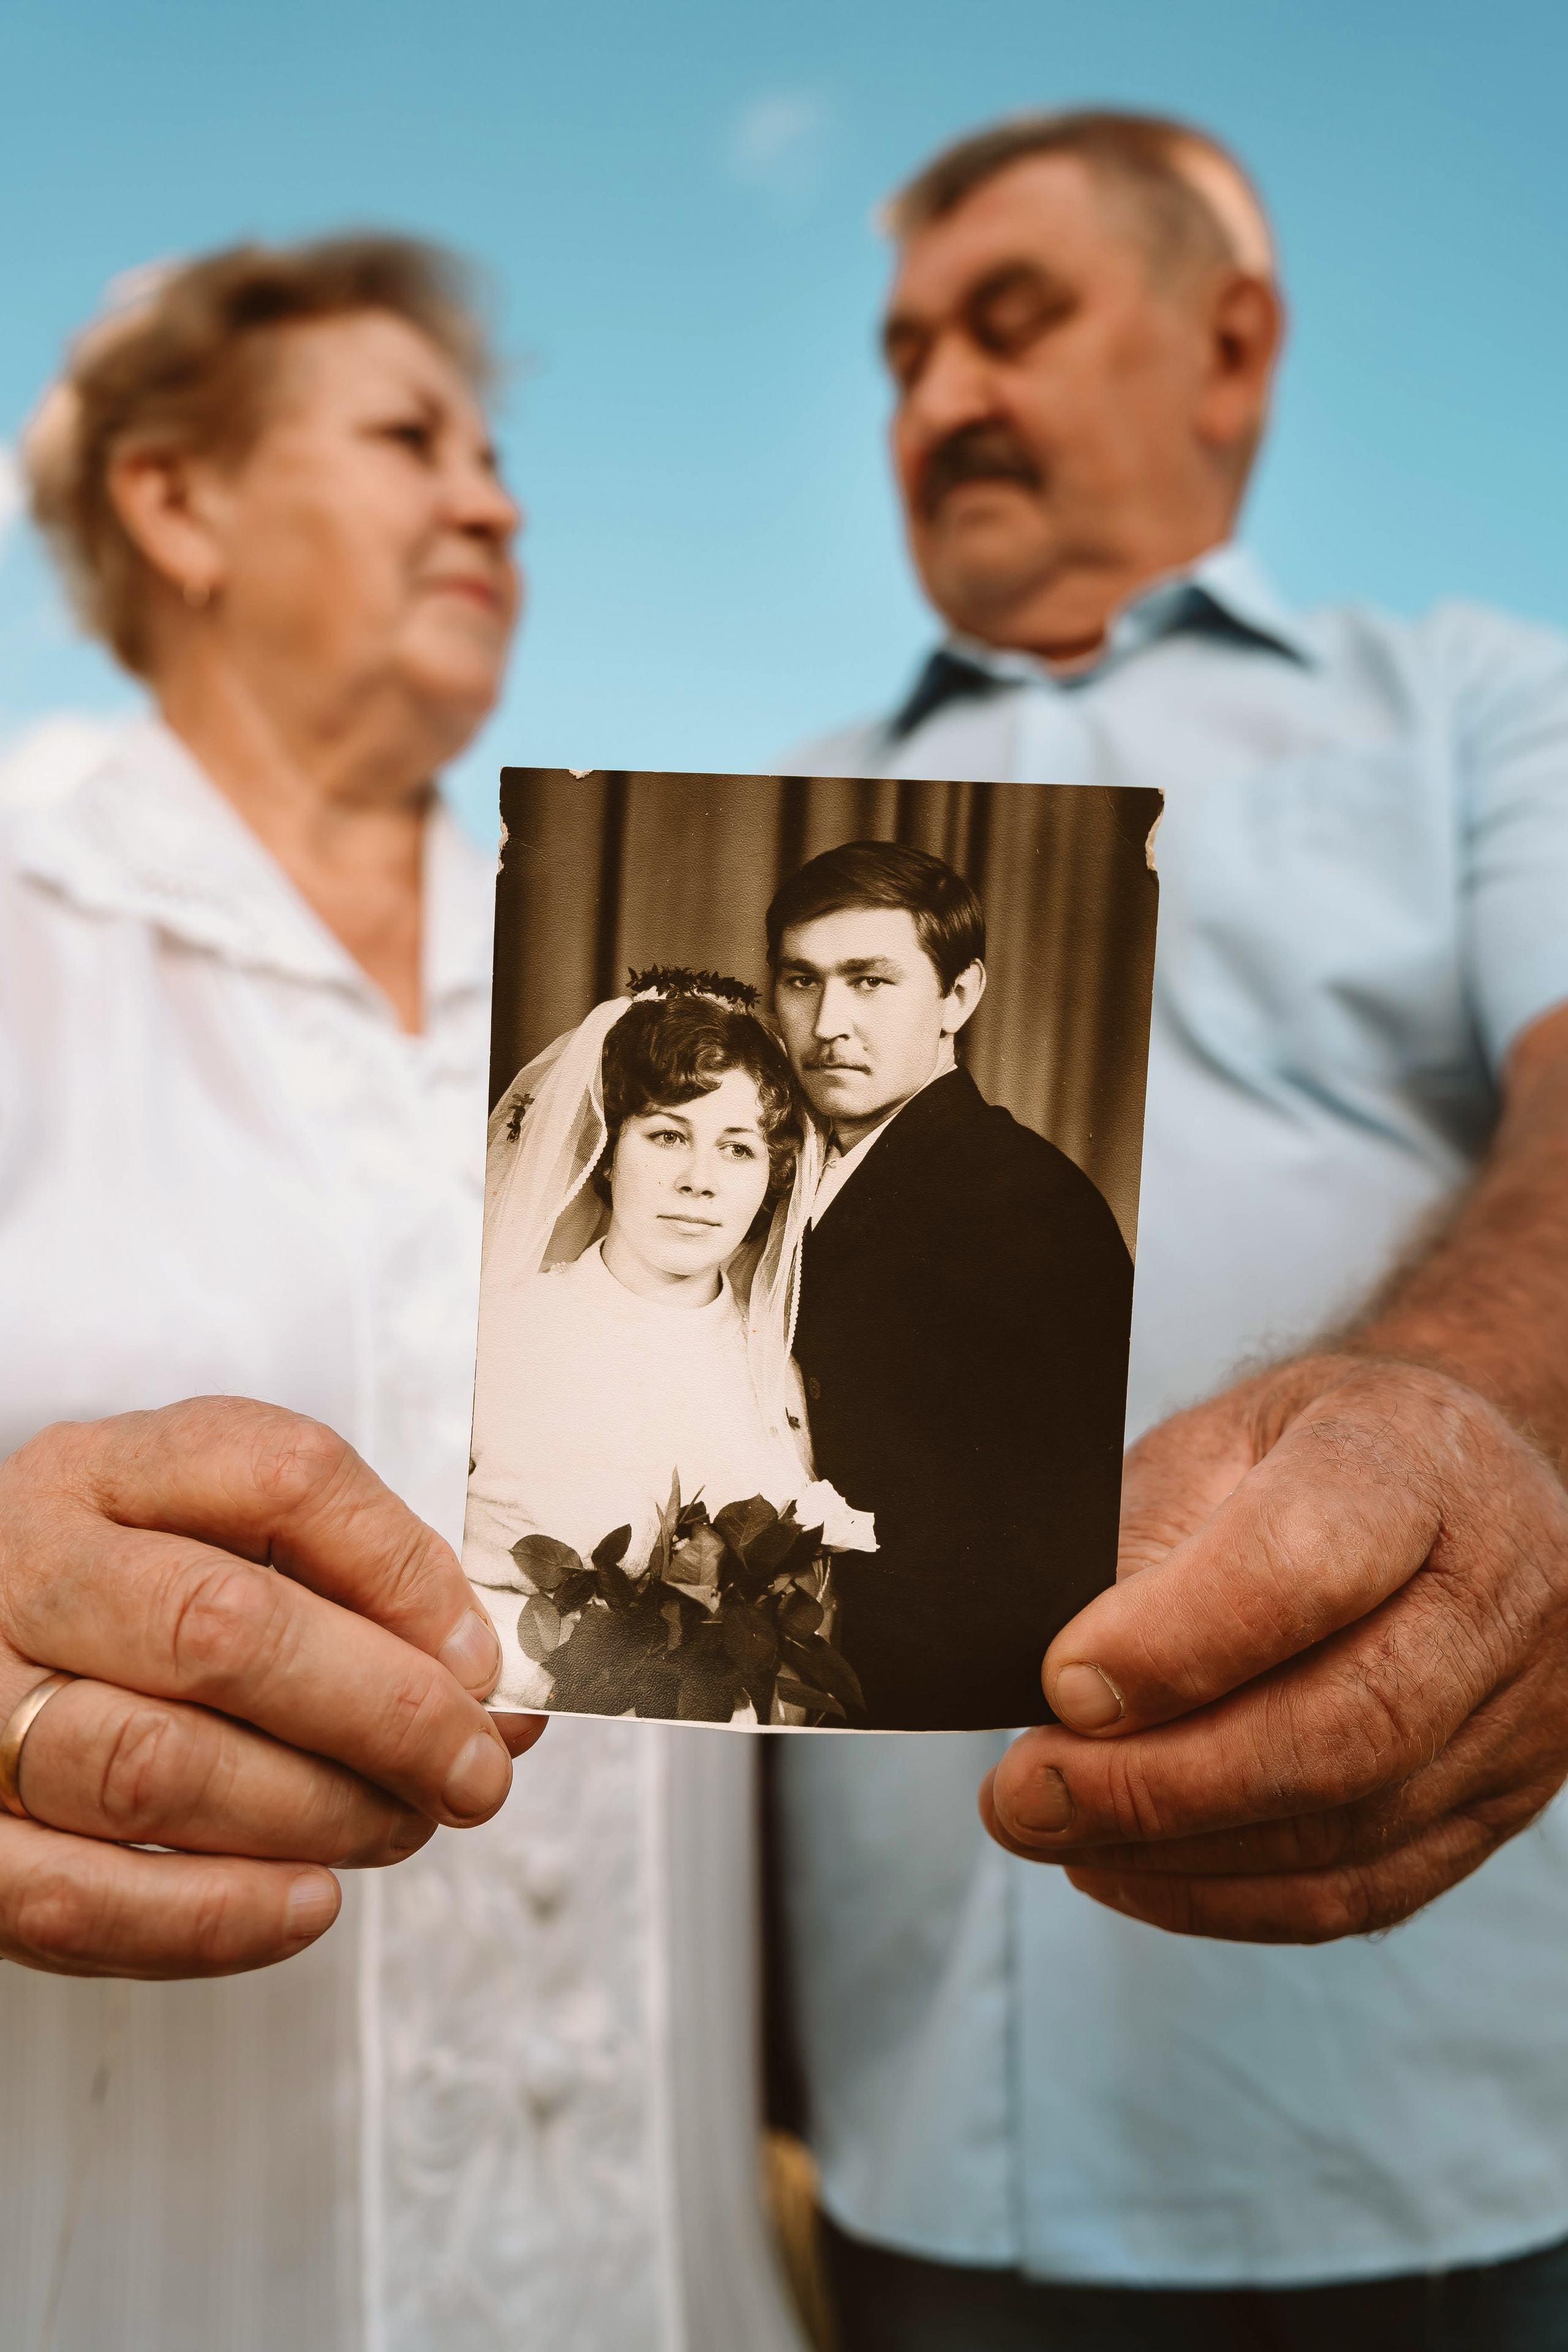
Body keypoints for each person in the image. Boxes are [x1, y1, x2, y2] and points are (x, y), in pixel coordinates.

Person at [774, 109, 1568, 2348]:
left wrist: (1448, 1403)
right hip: (901, 2096)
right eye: (902, 351)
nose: (936, 401)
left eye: (1005, 320)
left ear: (1229, 349)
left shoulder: (1473, 708)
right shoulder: (776, 799)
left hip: (1400, 2109)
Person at [0, 241, 805, 2352]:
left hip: (665, 2262)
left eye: (500, 456)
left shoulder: (654, 998)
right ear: (177, 506)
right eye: (409, 441)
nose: (497, 503)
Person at [766, 840, 1131, 1731]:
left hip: (934, 1710)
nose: (829, 1024)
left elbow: (1058, 1549)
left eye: (871, 981)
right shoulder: (768, 1171)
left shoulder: (1030, 1205)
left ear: (957, 998)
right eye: (802, 981)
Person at [465, 972, 872, 1723]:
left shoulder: (772, 1373)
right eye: (667, 1136)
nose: (700, 1182)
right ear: (608, 1153)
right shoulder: (499, 1329)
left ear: (772, 1175)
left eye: (738, 1149)